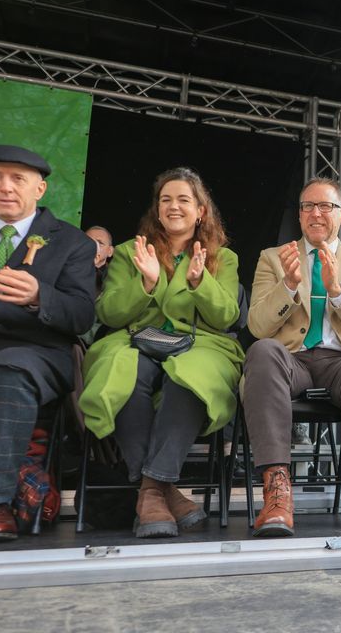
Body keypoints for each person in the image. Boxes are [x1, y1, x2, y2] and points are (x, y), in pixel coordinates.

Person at [79, 167, 244, 538]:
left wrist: (201, 282)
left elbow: (226, 317)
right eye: (165, 199)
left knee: (191, 375)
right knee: (122, 368)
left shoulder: (223, 258)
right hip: (134, 338)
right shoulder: (129, 252)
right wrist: (147, 282)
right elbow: (109, 314)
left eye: (184, 199)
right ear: (156, 208)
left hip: (201, 343)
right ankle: (160, 490)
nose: (173, 206)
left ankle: (151, 490)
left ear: (201, 211)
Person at [0, 145, 96, 542]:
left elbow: (83, 315)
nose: (6, 187)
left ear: (39, 189)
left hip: (37, 354)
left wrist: (39, 296)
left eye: (18, 179)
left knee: (11, 368)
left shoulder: (73, 243)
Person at [243, 177, 341, 536]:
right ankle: (277, 491)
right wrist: (289, 285)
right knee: (263, 351)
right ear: (299, 215)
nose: (315, 213)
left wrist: (338, 290)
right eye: (307, 206)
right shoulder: (274, 258)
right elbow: (258, 325)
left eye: (325, 206)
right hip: (291, 359)